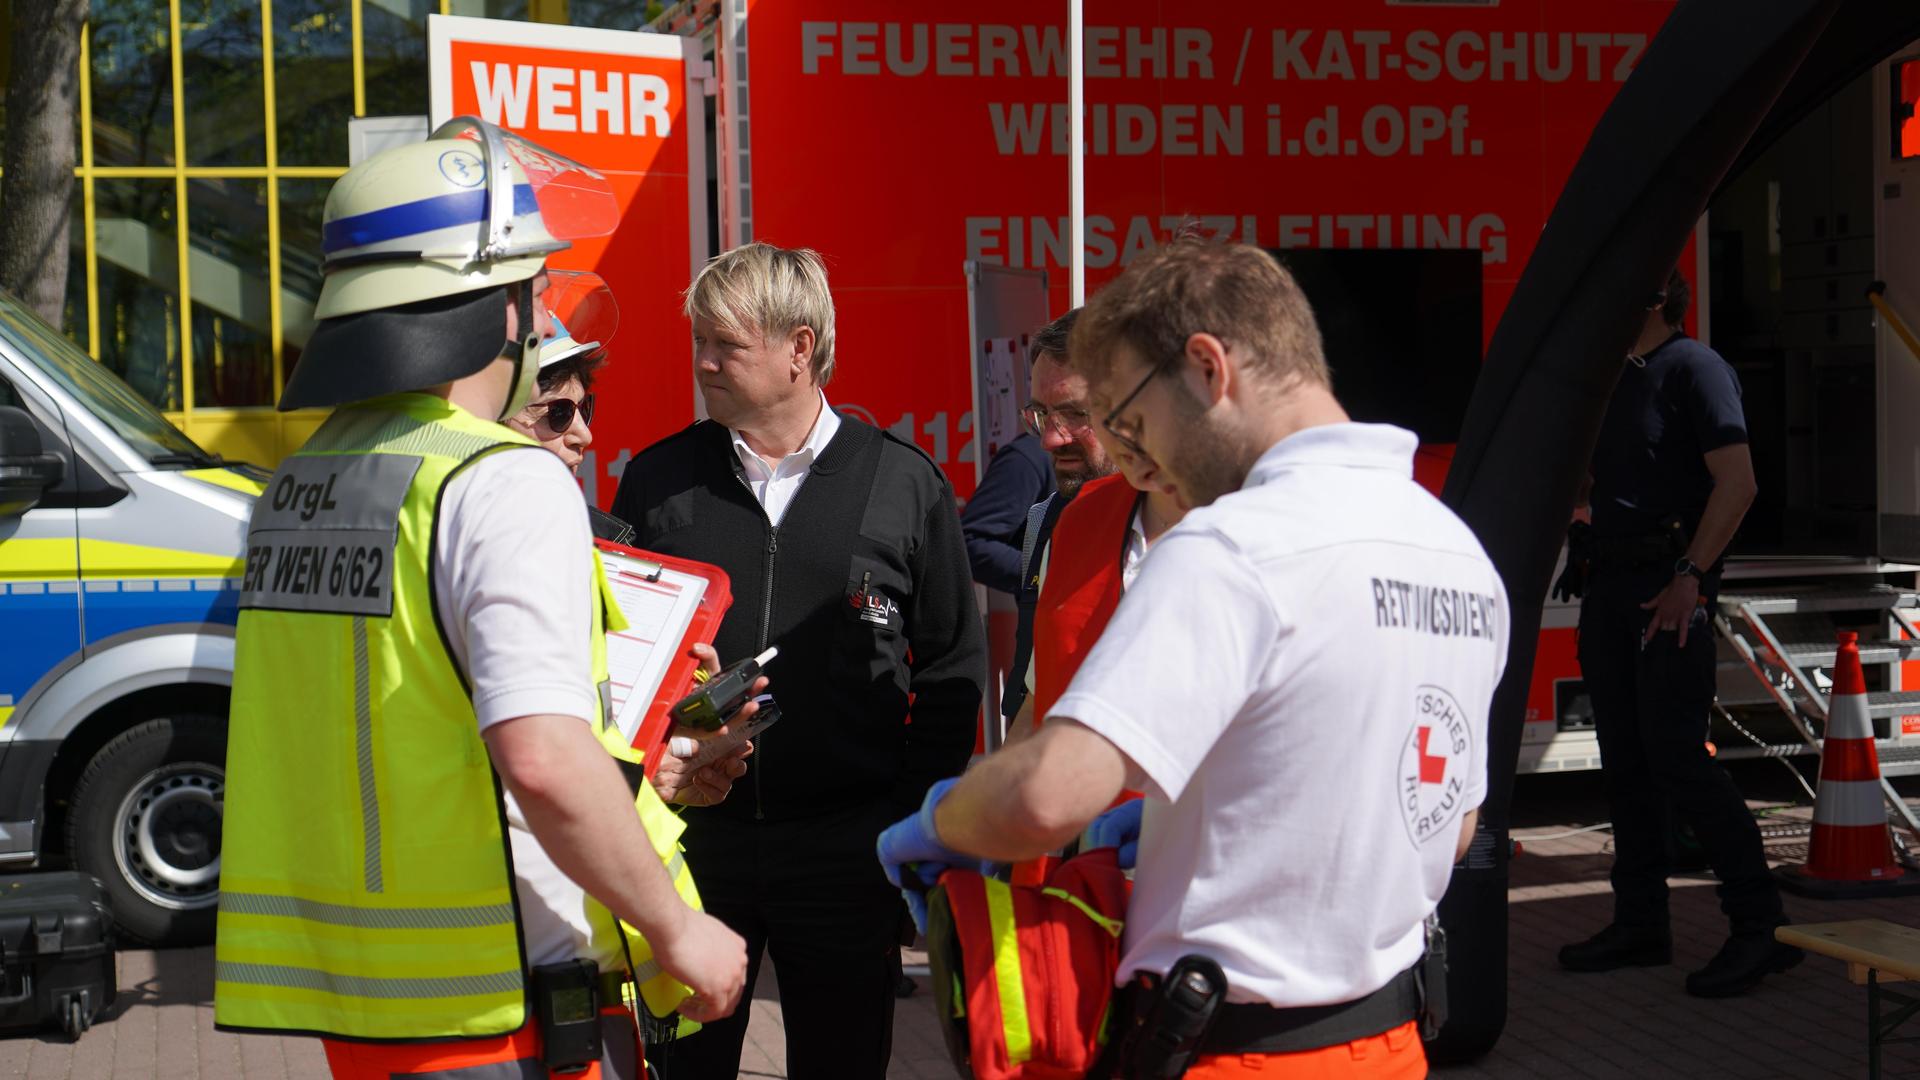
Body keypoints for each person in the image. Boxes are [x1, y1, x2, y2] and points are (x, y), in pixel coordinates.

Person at [879, 241, 1507, 1079]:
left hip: (1224, 1047)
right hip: (1388, 1042)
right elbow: (1449, 825)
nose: (1138, 459)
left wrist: (939, 825)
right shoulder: (1453, 550)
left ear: (1209, 368)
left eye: (1133, 421)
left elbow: (1042, 794)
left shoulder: (1232, 544)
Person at [214, 119, 748, 1080]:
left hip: (369, 1004)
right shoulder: (503, 480)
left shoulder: (305, 483)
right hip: (509, 1004)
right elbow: (541, 758)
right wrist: (679, 929)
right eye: (534, 291)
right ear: (496, 308)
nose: (541, 320)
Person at [610, 242, 986, 1080]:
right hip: (692, 846)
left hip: (846, 851)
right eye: (698, 341)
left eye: (726, 345)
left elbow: (952, 670)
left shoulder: (903, 482)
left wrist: (899, 826)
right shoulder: (660, 479)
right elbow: (615, 664)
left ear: (800, 349)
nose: (703, 362)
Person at [1555, 269, 1798, 997]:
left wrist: (1691, 576)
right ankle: (1641, 924)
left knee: (1676, 760)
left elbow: (1740, 482)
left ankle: (1761, 927)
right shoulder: (1615, 377)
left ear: (1655, 299)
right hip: (1613, 591)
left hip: (1669, 591)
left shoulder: (1697, 368)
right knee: (1625, 763)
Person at [997, 308, 1117, 729]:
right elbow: (1035, 703)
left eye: (1074, 414)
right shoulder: (1052, 524)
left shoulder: (1198, 528)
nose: (1050, 437)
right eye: (1041, 414)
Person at [960, 431, 1053, 593]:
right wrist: (1049, 576)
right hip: (1054, 610)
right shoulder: (1029, 456)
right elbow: (971, 543)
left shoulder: (1108, 461)